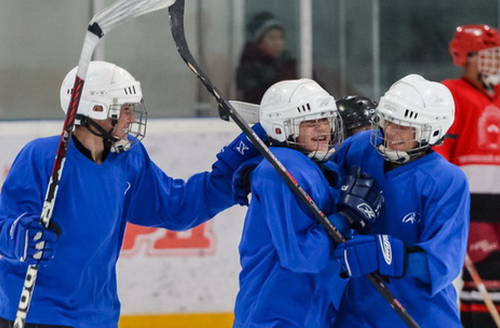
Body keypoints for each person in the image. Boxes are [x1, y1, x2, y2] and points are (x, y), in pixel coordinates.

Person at [0, 61, 265, 328]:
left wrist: (226, 175)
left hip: (97, 315)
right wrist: (17, 236)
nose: (131, 118)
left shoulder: (128, 158)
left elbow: (175, 207)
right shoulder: (44, 156)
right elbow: (5, 223)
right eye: (124, 108)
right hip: (37, 312)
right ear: (95, 109)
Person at [230, 78, 383, 327]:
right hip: (276, 318)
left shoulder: (314, 167)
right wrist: (345, 218)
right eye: (311, 122)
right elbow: (302, 256)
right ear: (281, 128)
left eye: (325, 120)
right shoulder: (281, 170)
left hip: (308, 314)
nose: (323, 129)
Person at [331, 74, 470, 327]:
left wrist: (383, 254)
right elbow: (314, 176)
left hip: (420, 315)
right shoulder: (362, 148)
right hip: (358, 314)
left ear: (431, 131)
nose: (391, 132)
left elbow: (442, 263)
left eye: (404, 126)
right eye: (388, 121)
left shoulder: (447, 180)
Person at [436, 24, 500, 327]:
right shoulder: (452, 93)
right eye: (488, 55)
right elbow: (440, 155)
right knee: (483, 281)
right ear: (467, 57)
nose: (496, 61)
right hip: (471, 209)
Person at [236, 11, 298, 104]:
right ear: (259, 42)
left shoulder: (290, 64)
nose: (278, 43)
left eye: (281, 37)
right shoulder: (249, 68)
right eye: (272, 38)